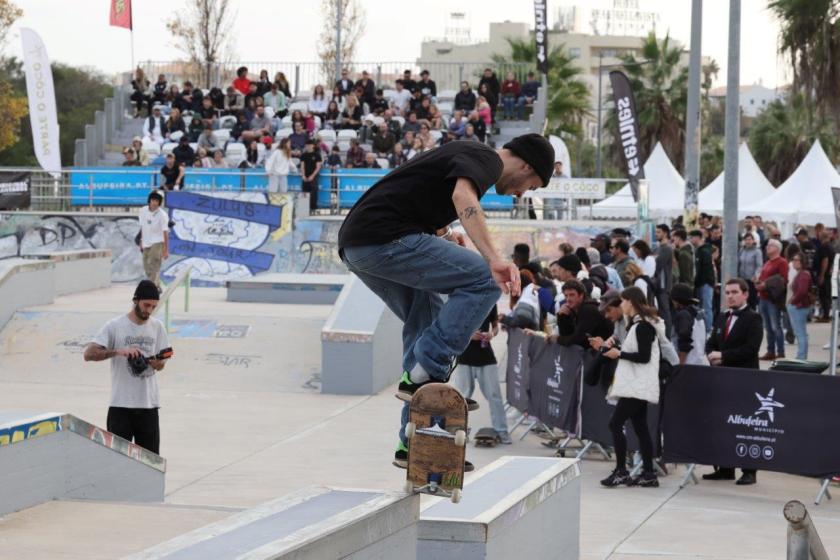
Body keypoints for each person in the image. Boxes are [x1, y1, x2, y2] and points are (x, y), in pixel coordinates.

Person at [338, 134, 554, 469]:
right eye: (530, 185)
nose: (521, 194)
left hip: (359, 247)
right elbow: (462, 195)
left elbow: (420, 195)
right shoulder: (487, 158)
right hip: (385, 238)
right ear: (525, 165)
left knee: (426, 317)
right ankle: (427, 372)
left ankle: (414, 440)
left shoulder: (462, 154)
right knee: (483, 279)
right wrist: (494, 258)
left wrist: (443, 234)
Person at [83, 280, 170, 455]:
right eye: (146, 305)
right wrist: (118, 351)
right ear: (136, 300)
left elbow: (162, 363)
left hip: (148, 406)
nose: (149, 311)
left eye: (153, 307)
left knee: (150, 463)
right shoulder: (115, 326)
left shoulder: (157, 327)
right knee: (117, 461)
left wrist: (155, 362)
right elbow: (89, 354)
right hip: (120, 406)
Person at [598, 287, 663, 488]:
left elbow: (643, 357)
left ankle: (621, 471)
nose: (621, 305)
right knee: (640, 428)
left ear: (631, 302)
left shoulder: (642, 326)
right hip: (637, 385)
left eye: (623, 301)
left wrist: (619, 354)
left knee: (615, 423)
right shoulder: (637, 325)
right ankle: (648, 473)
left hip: (637, 385)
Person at [705, 278, 764, 485]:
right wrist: (711, 354)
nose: (730, 296)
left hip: (745, 380)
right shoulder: (722, 316)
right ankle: (725, 468)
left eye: (734, 292)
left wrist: (723, 356)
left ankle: (749, 471)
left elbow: (751, 349)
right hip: (722, 379)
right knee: (723, 424)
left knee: (745, 426)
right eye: (727, 293)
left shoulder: (754, 318)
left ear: (745, 294)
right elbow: (711, 342)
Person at [452, 305, 511, 444]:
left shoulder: (489, 300)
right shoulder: (462, 300)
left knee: (494, 395)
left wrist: (491, 334)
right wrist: (469, 335)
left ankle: (502, 432)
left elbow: (495, 326)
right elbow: (452, 327)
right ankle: (458, 432)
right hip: (464, 357)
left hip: (485, 355)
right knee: (461, 398)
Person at [553, 279, 613, 347]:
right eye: (566, 296)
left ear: (581, 295)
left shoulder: (588, 309)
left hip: (607, 349)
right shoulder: (574, 308)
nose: (568, 299)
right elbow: (567, 334)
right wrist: (562, 316)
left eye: (572, 295)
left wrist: (558, 339)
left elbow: (578, 340)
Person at [755, 238, 788, 360]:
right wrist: (758, 283)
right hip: (763, 298)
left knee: (775, 326)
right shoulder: (768, 262)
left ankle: (780, 352)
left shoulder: (782, 262)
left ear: (777, 248)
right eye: (768, 245)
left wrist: (766, 284)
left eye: (770, 245)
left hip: (772, 299)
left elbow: (783, 280)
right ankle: (770, 351)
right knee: (768, 328)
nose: (767, 247)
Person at [137, 191, 170, 287]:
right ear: (149, 201)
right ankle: (157, 285)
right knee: (146, 265)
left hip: (158, 242)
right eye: (153, 200)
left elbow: (165, 232)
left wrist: (165, 249)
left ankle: (151, 288)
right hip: (146, 242)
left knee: (153, 263)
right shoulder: (143, 211)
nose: (155, 203)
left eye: (157, 201)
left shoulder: (162, 215)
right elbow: (143, 227)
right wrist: (141, 241)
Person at [670, 283, 708, 365]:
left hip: (686, 365)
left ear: (676, 300)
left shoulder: (683, 315)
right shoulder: (699, 314)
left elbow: (684, 343)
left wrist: (679, 366)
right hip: (699, 363)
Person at [787, 252, 812, 360]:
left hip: (799, 306)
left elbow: (802, 291)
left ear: (803, 262)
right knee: (800, 333)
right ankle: (801, 356)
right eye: (793, 259)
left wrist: (792, 301)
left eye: (797, 260)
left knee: (800, 333)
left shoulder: (804, 274)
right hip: (798, 306)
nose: (794, 262)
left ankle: (801, 357)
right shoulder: (801, 273)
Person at [690, 230, 715, 334]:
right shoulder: (699, 250)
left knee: (706, 307)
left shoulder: (704, 251)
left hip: (705, 283)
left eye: (692, 237)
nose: (690, 240)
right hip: (701, 283)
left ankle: (708, 330)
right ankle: (703, 329)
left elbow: (703, 269)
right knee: (702, 307)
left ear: (697, 238)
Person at [738, 233, 763, 309]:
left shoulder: (757, 251)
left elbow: (759, 265)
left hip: (751, 280)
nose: (748, 242)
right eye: (746, 240)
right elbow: (739, 263)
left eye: (749, 239)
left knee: (751, 300)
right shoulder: (742, 250)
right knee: (743, 300)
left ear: (753, 241)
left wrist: (756, 276)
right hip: (742, 279)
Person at [814, 229, 834, 322]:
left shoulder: (824, 247)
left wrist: (821, 275)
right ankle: (826, 314)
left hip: (824, 275)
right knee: (826, 294)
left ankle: (825, 315)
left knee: (824, 295)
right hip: (828, 274)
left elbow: (825, 261)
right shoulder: (830, 246)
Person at [299, 140, 322, 213]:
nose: (308, 147)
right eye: (307, 145)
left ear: (313, 146)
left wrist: (312, 176)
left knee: (314, 192)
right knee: (305, 191)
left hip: (314, 176)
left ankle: (313, 207)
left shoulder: (317, 155)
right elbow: (302, 166)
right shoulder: (303, 155)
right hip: (306, 175)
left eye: (309, 145)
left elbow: (318, 167)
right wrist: (303, 175)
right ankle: (305, 208)